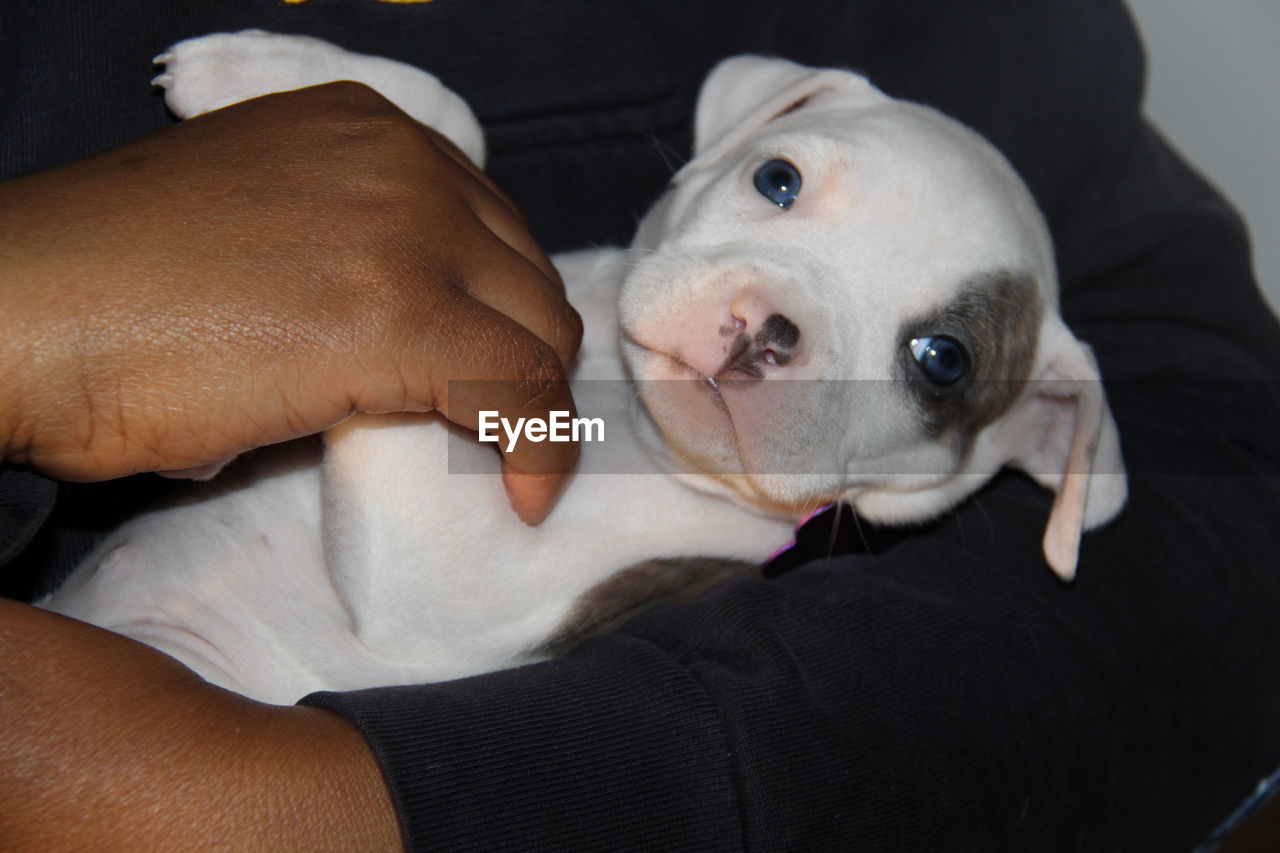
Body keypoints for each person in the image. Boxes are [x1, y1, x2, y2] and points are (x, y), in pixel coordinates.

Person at [2, 0, 1278, 849]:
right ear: (736, 136)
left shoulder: (698, 536)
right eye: (780, 186)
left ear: (1021, 434)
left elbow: (414, 601)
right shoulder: (609, 311)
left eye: (934, 357)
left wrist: (383, 319)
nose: (777, 320)